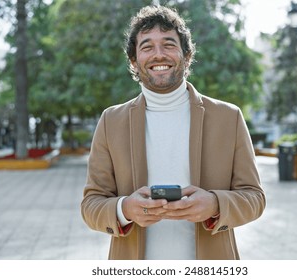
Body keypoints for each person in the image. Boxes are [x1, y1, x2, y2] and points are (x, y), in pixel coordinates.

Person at [81, 5, 266, 260]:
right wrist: (125, 209)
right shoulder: (111, 121)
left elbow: (254, 198)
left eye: (168, 44)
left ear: (187, 55)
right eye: (147, 47)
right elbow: (91, 204)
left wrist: (214, 204)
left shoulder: (229, 117)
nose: (159, 55)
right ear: (134, 61)